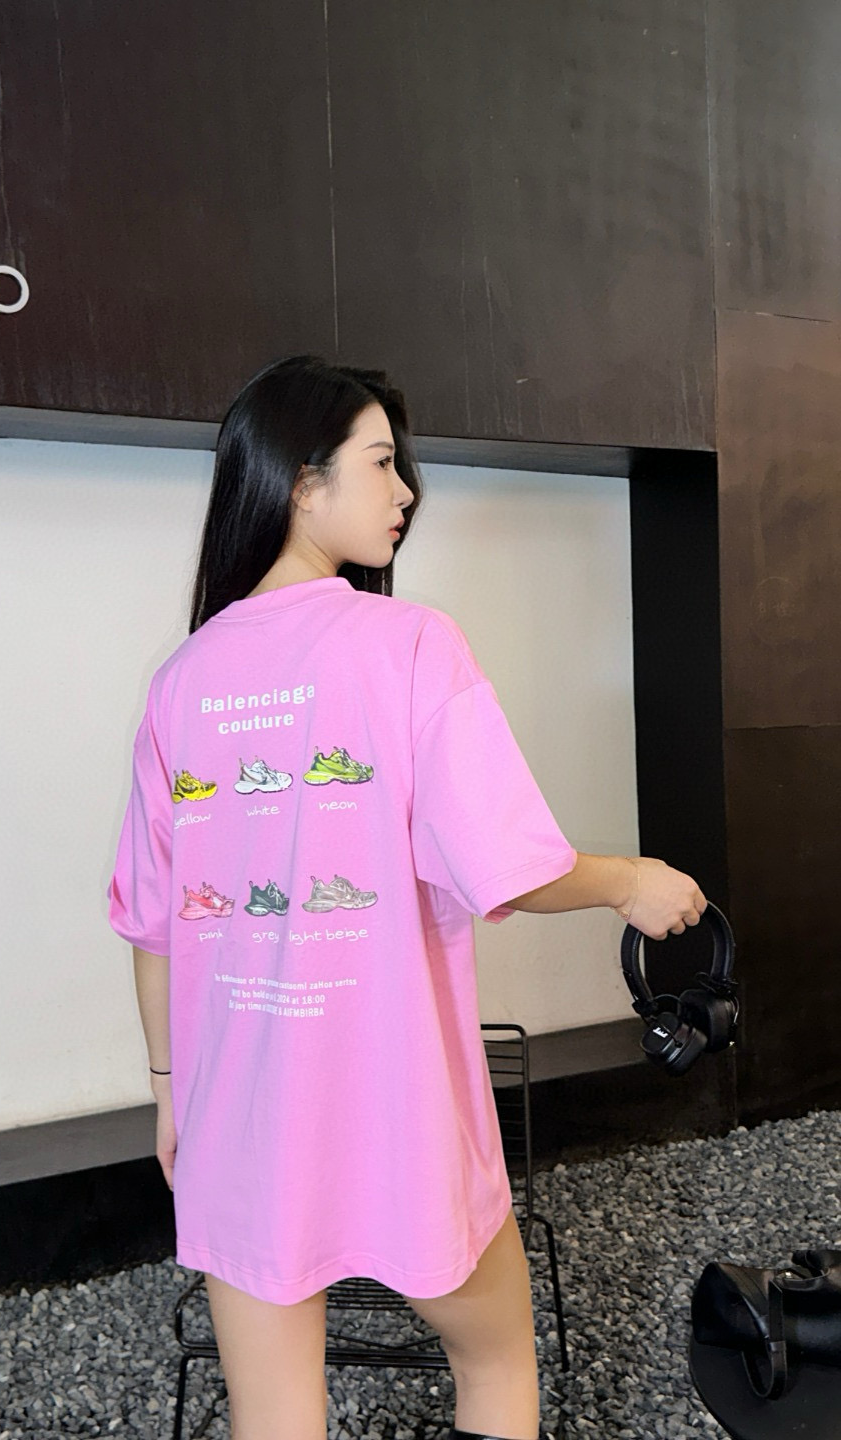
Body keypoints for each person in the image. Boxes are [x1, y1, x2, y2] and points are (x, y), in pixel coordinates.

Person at [107, 354, 707, 1440]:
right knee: (496, 1363)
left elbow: (154, 925)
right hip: (397, 1109)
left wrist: (169, 1096)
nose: (406, 491)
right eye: (382, 464)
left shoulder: (180, 681)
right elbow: (509, 865)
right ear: (301, 482)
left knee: (273, 1417)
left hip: (236, 1118)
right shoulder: (413, 644)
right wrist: (633, 882)